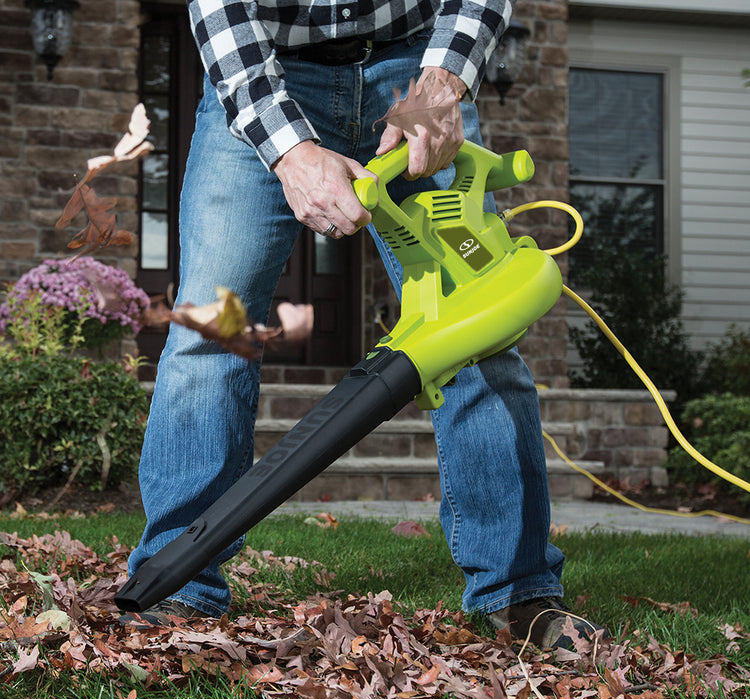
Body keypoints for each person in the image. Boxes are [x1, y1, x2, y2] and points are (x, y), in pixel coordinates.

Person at [126, 0, 604, 649]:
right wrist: (291, 152)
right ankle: (174, 584)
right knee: (213, 331)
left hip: (414, 65)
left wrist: (441, 85)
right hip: (267, 71)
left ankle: (519, 595)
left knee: (479, 329)